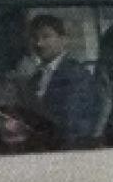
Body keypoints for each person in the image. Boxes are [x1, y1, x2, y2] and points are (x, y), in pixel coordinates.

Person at [24, 14, 101, 147]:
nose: (39, 43)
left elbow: (73, 123)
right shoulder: (35, 78)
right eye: (35, 38)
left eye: (46, 37)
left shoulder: (76, 74)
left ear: (63, 40)